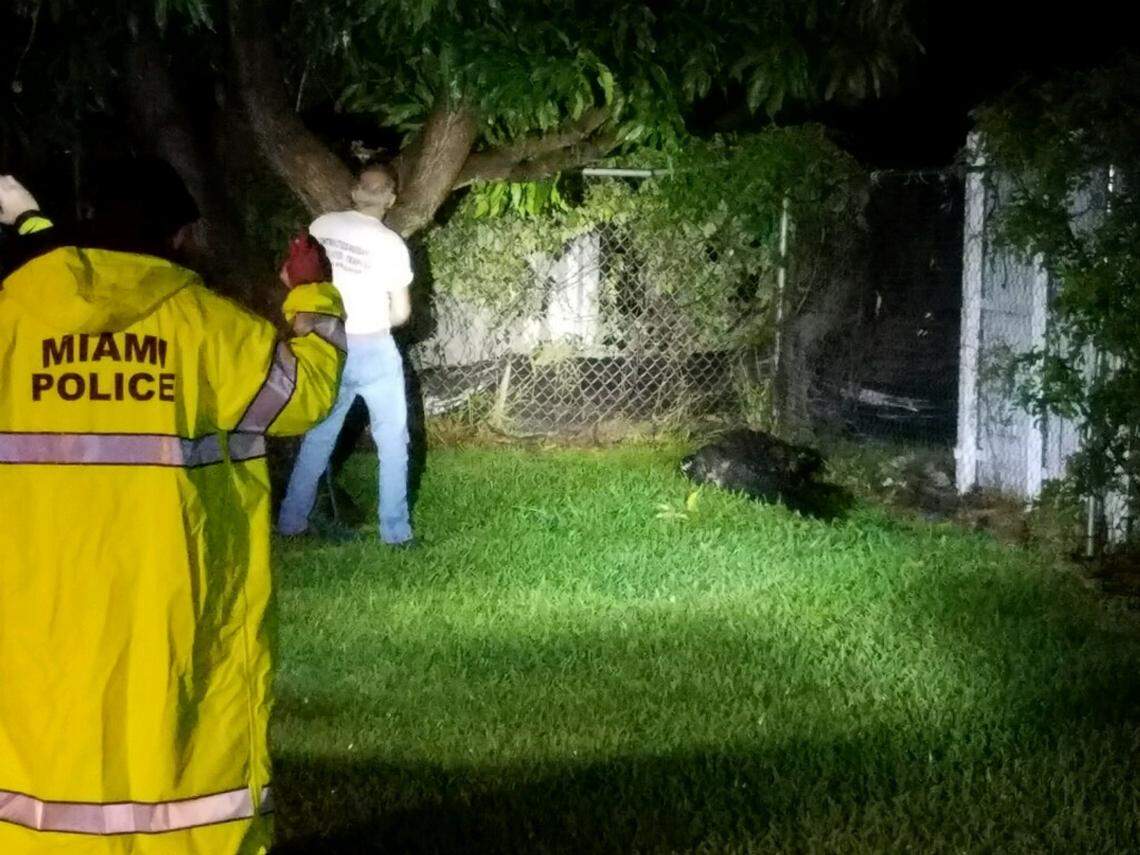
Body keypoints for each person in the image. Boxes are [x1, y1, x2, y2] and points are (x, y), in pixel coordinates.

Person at [0, 164, 346, 854]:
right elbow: (306, 392)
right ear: (178, 237)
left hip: (38, 609)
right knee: (182, 750)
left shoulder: (14, 314)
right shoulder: (209, 329)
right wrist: (313, 292)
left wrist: (25, 225)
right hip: (178, 607)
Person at [277, 163, 415, 545]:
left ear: (355, 191)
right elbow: (401, 313)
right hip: (372, 347)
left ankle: (291, 521)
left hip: (326, 346)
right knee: (391, 441)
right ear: (389, 198)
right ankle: (396, 532)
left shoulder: (322, 226)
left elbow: (289, 277)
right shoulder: (392, 245)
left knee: (319, 436)